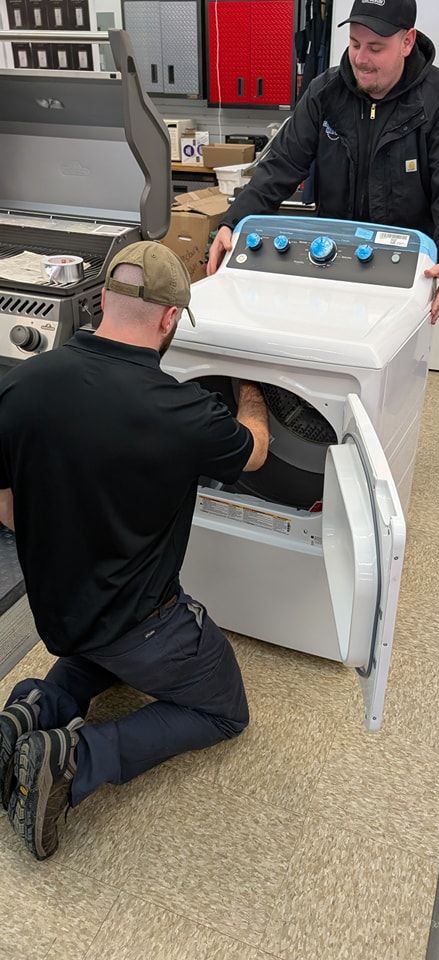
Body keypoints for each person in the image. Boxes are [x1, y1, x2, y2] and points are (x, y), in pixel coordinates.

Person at [0, 241, 270, 861]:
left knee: (105, 639)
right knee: (225, 710)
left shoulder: (23, 385)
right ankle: (75, 759)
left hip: (61, 612)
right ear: (171, 319)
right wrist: (251, 389)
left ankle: (32, 713)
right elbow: (254, 451)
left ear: (101, 301)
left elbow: (8, 502)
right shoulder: (180, 410)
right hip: (141, 625)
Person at [207, 0, 439, 324]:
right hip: (331, 259)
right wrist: (233, 221)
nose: (361, 59)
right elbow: (281, 164)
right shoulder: (325, 92)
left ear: (407, 42)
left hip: (405, 265)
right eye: (354, 44)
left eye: (376, 48)